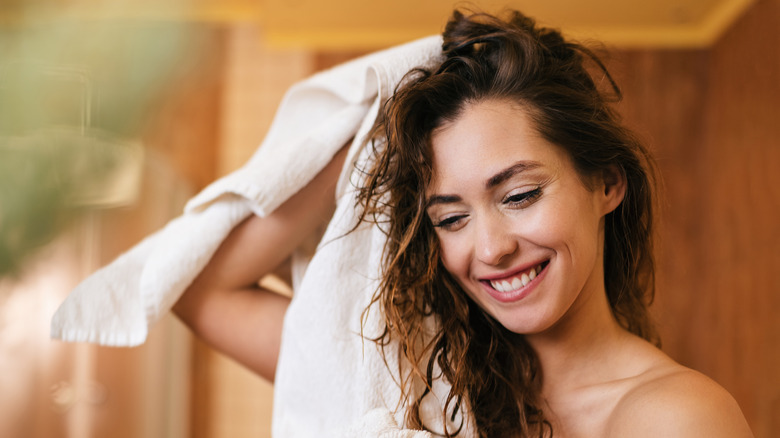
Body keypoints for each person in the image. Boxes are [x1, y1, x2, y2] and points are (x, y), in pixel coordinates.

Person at [173, 9, 753, 438]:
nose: (492, 248)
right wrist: (366, 132)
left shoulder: (676, 417)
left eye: (520, 195)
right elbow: (198, 285)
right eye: (451, 218)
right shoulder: (411, 373)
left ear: (606, 183)